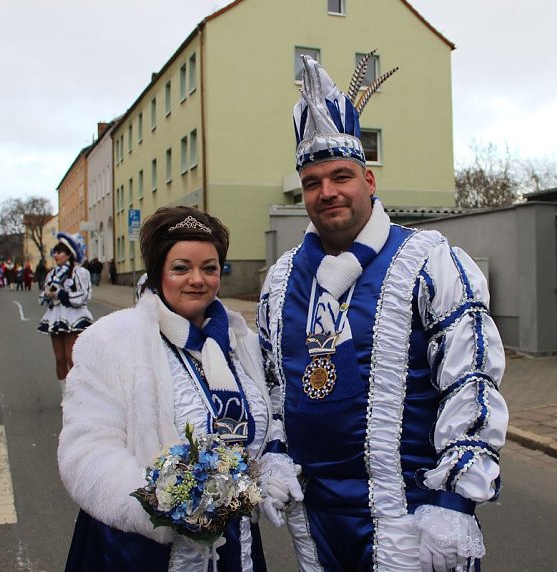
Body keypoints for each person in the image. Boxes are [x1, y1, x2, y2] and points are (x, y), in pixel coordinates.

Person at [257, 56, 508, 571]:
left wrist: (456, 501)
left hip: (411, 521)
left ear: (369, 180)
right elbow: (276, 387)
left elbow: (471, 381)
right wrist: (276, 450)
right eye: (312, 182)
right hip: (318, 523)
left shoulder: (429, 261)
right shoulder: (282, 280)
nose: (327, 192)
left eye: (341, 176)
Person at [58, 207, 272, 571]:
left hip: (235, 546)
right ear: (158, 274)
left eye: (209, 267)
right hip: (142, 551)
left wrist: (272, 467)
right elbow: (86, 449)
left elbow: (266, 422)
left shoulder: (242, 342)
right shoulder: (113, 340)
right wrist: (164, 505)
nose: (197, 279)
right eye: (181, 268)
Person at [37, 233, 93, 389]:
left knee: (71, 357)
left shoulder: (79, 272)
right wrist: (48, 295)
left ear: (69, 254)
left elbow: (84, 296)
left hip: (73, 315)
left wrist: (61, 294)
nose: (56, 255)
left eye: (59, 252)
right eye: (55, 252)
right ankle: (65, 394)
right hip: (56, 316)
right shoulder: (52, 274)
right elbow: (47, 293)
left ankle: (78, 393)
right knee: (59, 358)